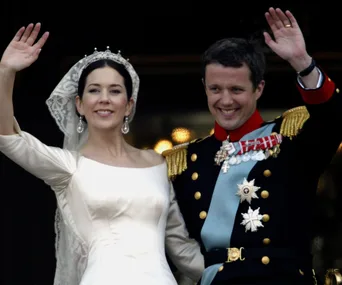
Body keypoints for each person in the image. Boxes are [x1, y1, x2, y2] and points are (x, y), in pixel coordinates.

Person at [0, 23, 204, 285]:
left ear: (129, 104)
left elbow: (182, 248)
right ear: (79, 104)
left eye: (115, 90)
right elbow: (8, 138)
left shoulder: (156, 163)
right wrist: (6, 72)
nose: (104, 98)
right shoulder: (68, 167)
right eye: (94, 90)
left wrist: (237, 274)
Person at [163, 7, 342, 285]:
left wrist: (302, 63)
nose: (225, 100)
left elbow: (334, 119)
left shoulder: (291, 138)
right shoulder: (184, 161)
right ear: (204, 87)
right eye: (215, 89)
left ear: (258, 88)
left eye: (236, 90)